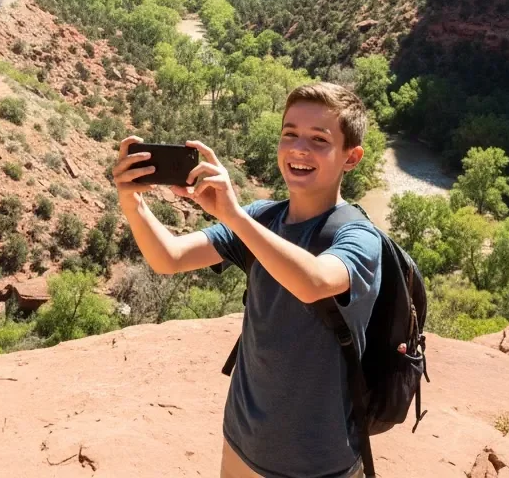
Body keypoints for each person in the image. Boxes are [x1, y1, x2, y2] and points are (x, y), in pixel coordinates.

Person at [112, 82, 381, 478]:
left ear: (351, 157)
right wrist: (131, 203)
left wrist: (234, 216)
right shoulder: (263, 218)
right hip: (242, 440)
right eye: (289, 134)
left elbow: (314, 282)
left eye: (319, 140)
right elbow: (168, 257)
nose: (299, 149)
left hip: (316, 462)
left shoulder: (358, 237)